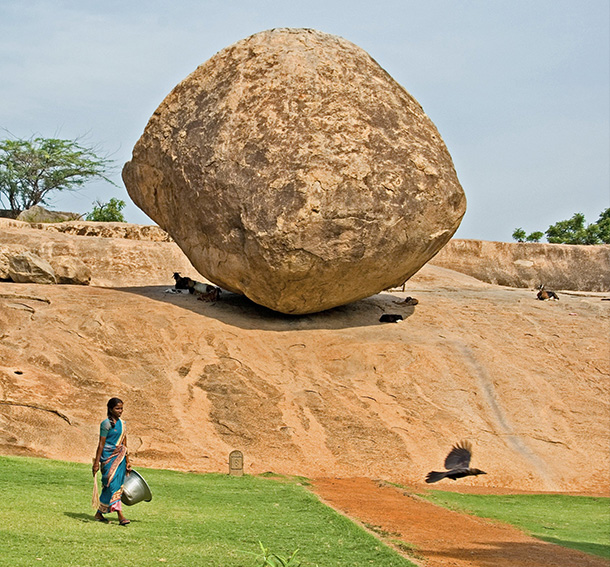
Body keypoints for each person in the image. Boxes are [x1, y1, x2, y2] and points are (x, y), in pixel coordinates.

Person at [92, 397, 132, 525]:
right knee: (110, 484)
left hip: (120, 458)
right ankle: (120, 515)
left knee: (114, 486)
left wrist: (128, 460)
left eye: (121, 408)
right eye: (117, 408)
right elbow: (101, 444)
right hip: (108, 459)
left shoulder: (123, 424)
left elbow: (124, 443)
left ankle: (100, 513)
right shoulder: (106, 424)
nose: (120, 411)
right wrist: (96, 463)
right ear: (110, 409)